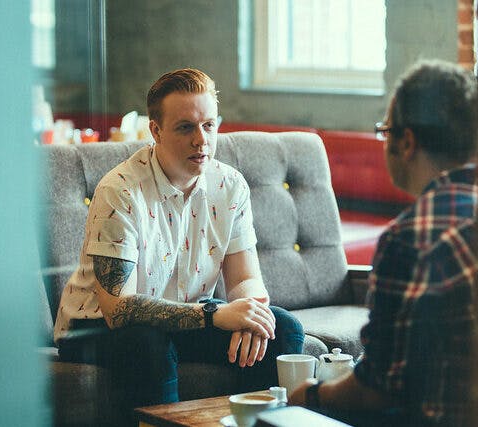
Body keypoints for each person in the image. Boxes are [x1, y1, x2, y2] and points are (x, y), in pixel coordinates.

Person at [54, 68, 304, 422]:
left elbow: (245, 278)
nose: (201, 141)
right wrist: (213, 315)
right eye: (186, 127)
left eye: (209, 125)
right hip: (94, 328)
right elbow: (116, 309)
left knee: (281, 328)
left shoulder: (230, 186)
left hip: (185, 318)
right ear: (155, 130)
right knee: (148, 343)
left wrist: (250, 312)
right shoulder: (120, 192)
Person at [290, 60, 478, 427]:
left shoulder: (411, 237)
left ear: (407, 141)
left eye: (385, 131)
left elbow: (376, 390)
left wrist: (310, 394)